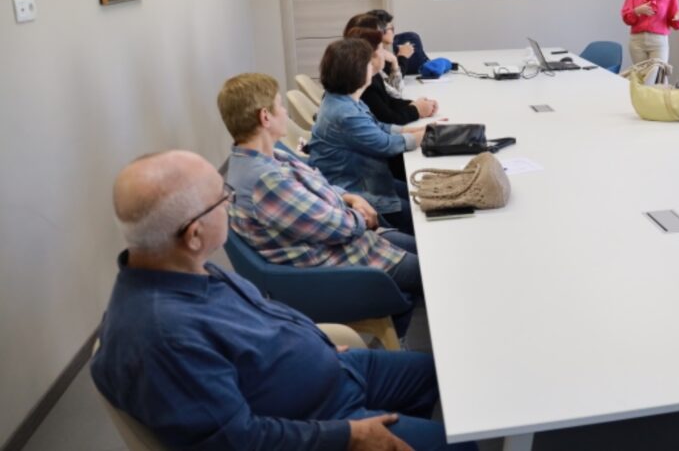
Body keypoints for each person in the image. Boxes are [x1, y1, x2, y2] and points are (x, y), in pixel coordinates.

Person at [92, 150, 475, 450]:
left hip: (336, 369)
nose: (230, 204)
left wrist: (314, 342)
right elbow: (239, 441)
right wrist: (350, 436)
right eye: (223, 198)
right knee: (456, 444)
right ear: (194, 233)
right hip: (323, 420)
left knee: (447, 376)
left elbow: (263, 312)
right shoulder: (164, 338)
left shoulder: (182, 266)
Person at [217, 73, 421, 295]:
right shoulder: (265, 181)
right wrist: (361, 216)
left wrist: (349, 197)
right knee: (437, 269)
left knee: (431, 250)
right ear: (265, 117)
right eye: (280, 106)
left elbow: (317, 184)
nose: (285, 113)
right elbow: (337, 228)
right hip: (349, 265)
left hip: (354, 244)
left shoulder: (265, 157)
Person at [309, 38, 425, 234]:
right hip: (358, 190)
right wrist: (425, 136)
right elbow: (386, 145)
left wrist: (413, 130)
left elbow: (377, 126)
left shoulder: (343, 98)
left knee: (421, 196)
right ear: (358, 72)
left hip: (368, 178)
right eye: (368, 64)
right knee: (421, 214)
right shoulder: (345, 113)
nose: (373, 66)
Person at [346, 25, 437, 125]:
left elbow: (388, 101)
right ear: (371, 55)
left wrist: (415, 105)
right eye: (381, 49)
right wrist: (416, 110)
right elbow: (387, 118)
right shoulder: (366, 84)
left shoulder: (374, 75)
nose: (385, 53)